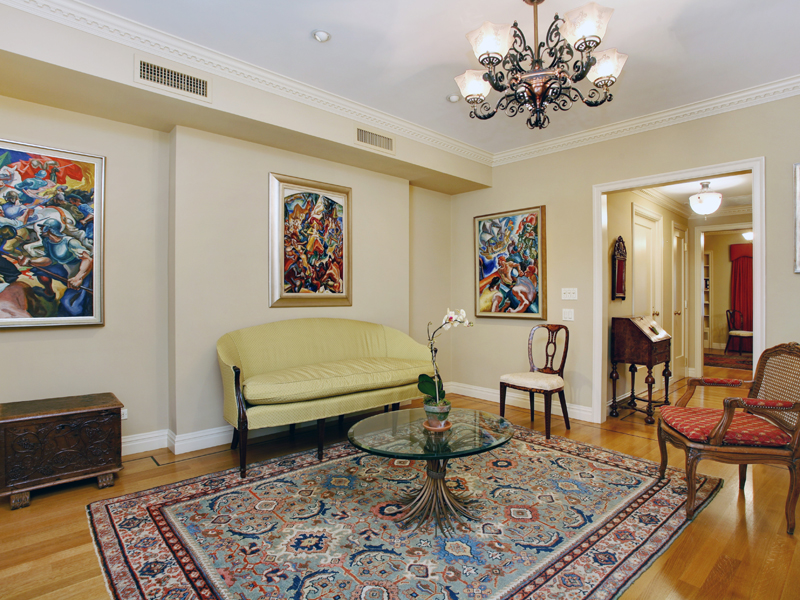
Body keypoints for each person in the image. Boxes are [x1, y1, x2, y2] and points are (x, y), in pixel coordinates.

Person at [17, 218, 93, 317]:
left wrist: (78, 277)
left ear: (50, 229)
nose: (41, 229)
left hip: (80, 270)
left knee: (70, 303)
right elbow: (49, 260)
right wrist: (31, 262)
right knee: (39, 270)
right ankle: (49, 293)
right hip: (63, 267)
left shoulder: (70, 241)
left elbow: (87, 259)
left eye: (43, 227)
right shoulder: (48, 241)